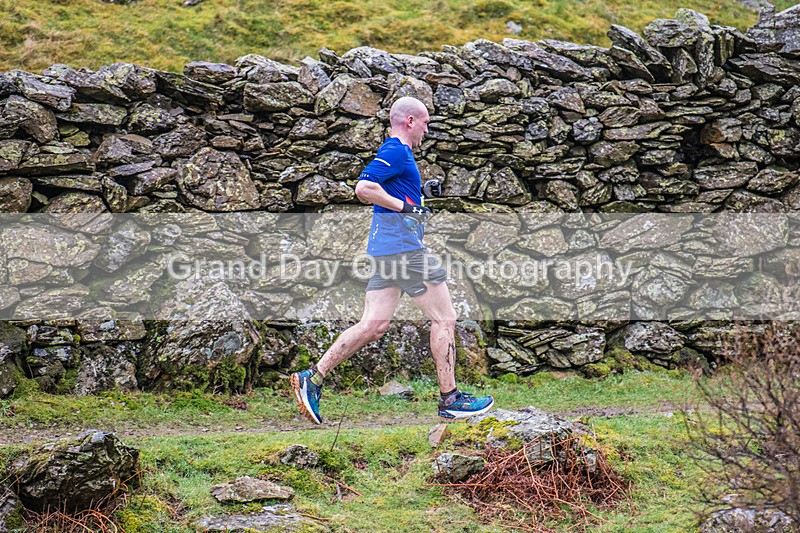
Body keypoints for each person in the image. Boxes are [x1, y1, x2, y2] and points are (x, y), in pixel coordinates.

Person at [290, 96, 494, 425]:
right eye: (425, 122)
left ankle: (311, 379)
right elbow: (364, 188)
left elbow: (393, 192)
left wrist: (420, 193)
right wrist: (407, 207)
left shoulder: (403, 156)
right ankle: (450, 399)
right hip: (404, 250)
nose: (428, 129)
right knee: (445, 318)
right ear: (410, 121)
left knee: (373, 325)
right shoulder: (396, 149)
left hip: (386, 251)